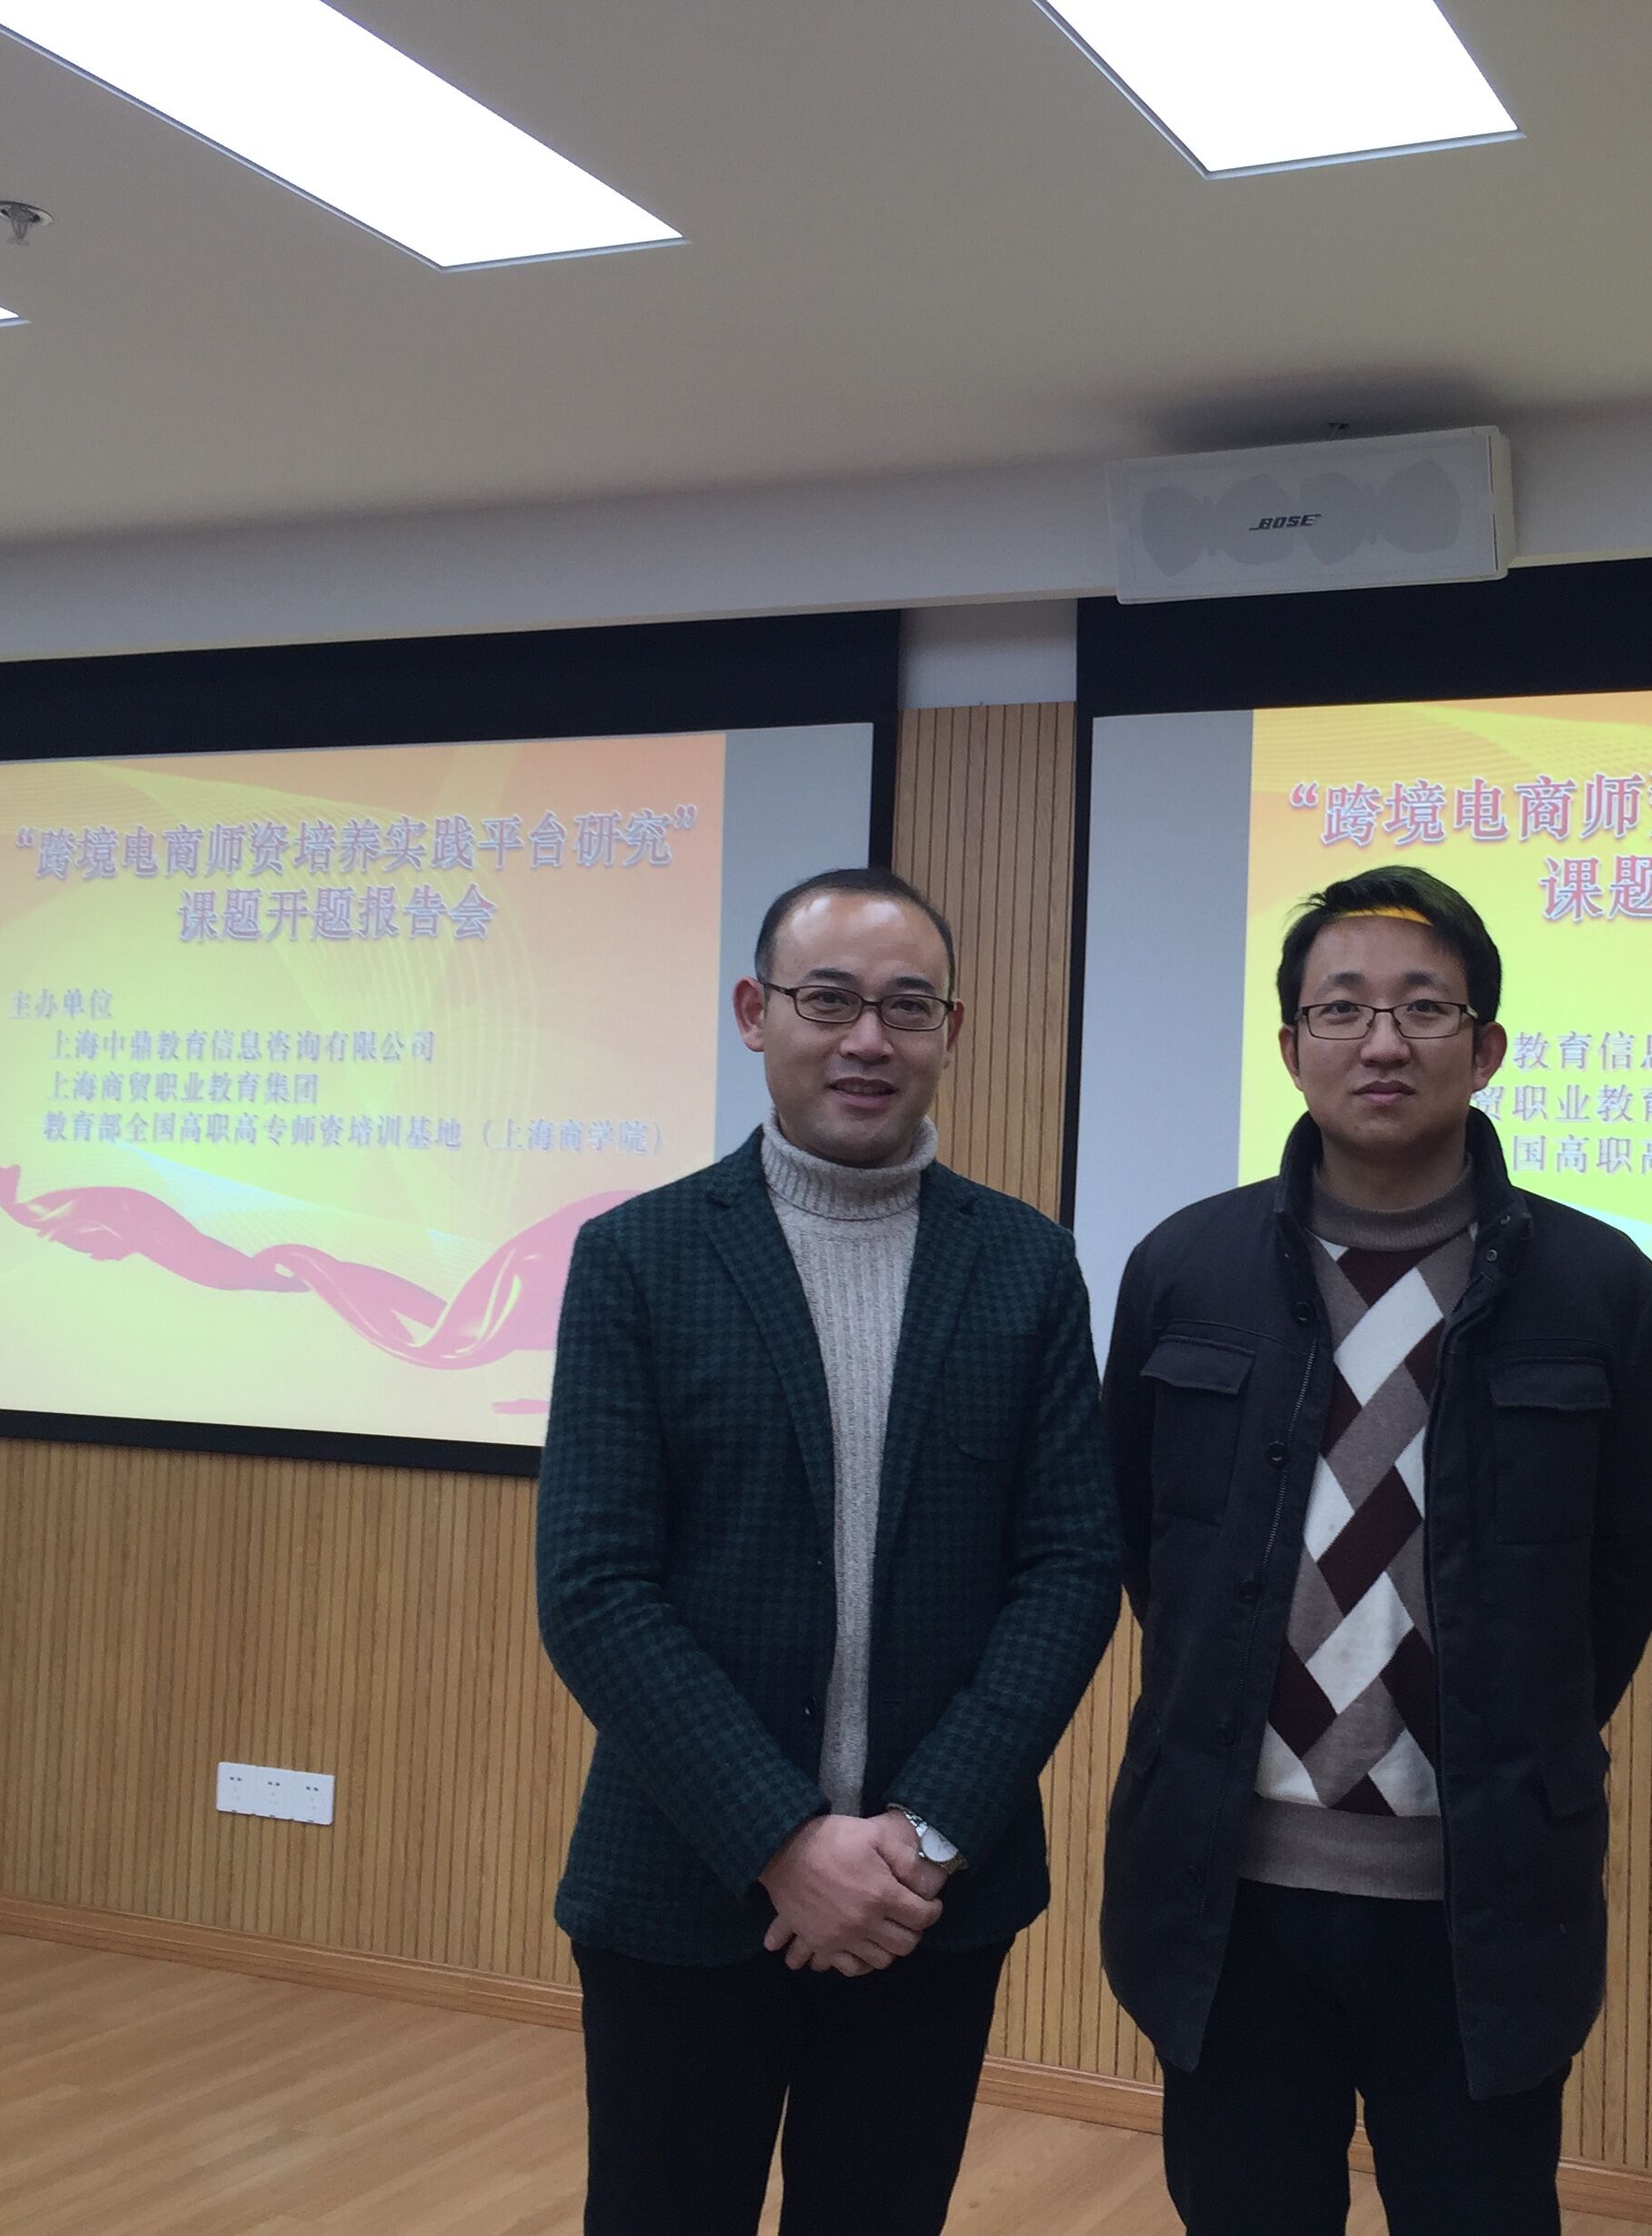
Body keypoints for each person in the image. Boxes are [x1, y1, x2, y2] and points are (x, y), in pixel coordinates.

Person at [1100, 865, 1652, 2234]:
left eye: (1425, 1009)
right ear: (1290, 1042)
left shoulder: (1601, 1290)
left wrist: (1507, 1727)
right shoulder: (1184, 1269)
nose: (1382, 1041)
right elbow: (1146, 1543)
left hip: (1482, 1899)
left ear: (1485, 1049)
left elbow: (1629, 1566)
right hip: (1229, 1894)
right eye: (1343, 1008)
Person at [537, 865, 1118, 2236]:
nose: (869, 1039)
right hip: (684, 1887)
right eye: (829, 1000)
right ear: (756, 1013)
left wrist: (917, 1838)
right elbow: (595, 1586)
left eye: (907, 1007)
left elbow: (1069, 1571)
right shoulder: (639, 1257)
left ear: (950, 1031)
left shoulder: (1026, 1265)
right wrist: (784, 1842)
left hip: (928, 1905)